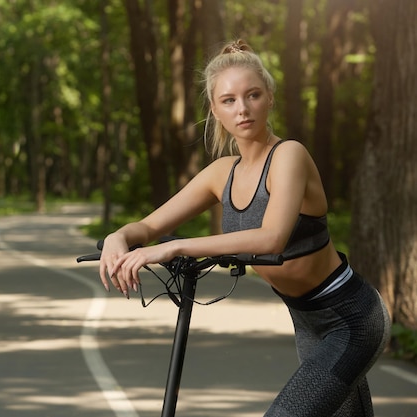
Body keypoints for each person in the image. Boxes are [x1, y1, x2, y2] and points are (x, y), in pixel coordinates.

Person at [98, 39, 391, 417]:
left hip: (353, 319)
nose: (242, 109)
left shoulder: (289, 156)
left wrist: (177, 247)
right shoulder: (221, 173)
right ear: (215, 111)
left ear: (269, 97)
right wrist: (117, 237)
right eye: (229, 100)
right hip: (308, 323)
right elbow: (150, 224)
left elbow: (272, 238)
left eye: (252, 95)